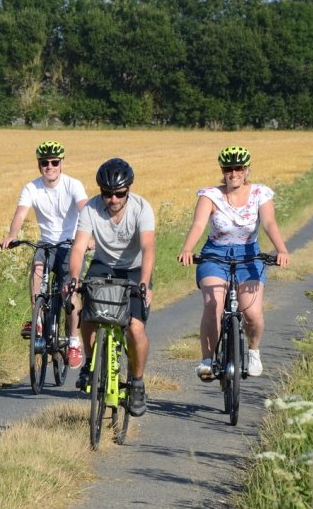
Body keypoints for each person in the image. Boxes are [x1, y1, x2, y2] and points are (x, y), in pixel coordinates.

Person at [177, 146, 290, 380]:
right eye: (228, 169)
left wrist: (281, 249)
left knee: (253, 313)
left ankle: (253, 351)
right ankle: (207, 360)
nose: (234, 173)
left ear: (247, 170)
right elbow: (198, 225)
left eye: (238, 168)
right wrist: (188, 248)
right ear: (223, 171)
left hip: (248, 254)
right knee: (213, 305)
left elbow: (269, 223)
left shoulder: (261, 193)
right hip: (215, 254)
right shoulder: (210, 195)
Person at [65, 157, 155, 417]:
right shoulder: (91, 208)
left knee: (135, 328)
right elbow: (80, 246)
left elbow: (148, 248)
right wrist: (73, 278)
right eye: (107, 194)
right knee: (89, 317)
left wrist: (144, 283)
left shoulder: (141, 208)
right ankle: (91, 367)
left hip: (135, 268)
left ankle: (137, 383)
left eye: (119, 194)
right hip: (103, 265)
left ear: (128, 190)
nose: (113, 199)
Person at [1, 140, 89, 369]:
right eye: (44, 163)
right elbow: (20, 214)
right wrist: (12, 234)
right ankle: (38, 318)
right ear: (39, 165)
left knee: (69, 292)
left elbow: (85, 210)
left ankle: (72, 341)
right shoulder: (31, 187)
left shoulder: (73, 185)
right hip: (46, 242)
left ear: (62, 163)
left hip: (70, 244)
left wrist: (89, 238)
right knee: (37, 268)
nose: (49, 167)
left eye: (54, 162)